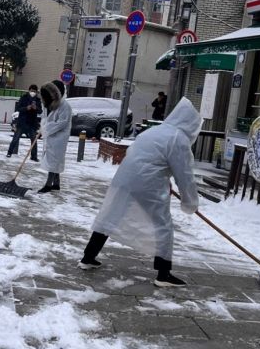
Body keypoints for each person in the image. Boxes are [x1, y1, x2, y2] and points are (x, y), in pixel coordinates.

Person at [78, 98, 201, 288]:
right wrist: (190, 202)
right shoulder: (179, 139)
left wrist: (162, 178)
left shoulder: (155, 130)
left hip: (125, 178)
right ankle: (163, 274)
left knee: (111, 215)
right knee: (163, 225)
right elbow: (184, 175)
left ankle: (88, 257)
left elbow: (146, 157)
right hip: (147, 184)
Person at [38, 80, 72, 193]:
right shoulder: (52, 104)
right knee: (54, 160)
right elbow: (46, 118)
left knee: (53, 161)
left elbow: (62, 122)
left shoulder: (65, 106)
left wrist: (46, 128)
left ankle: (48, 184)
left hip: (59, 138)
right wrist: (43, 126)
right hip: (52, 137)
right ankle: (56, 183)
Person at [7, 84, 41, 161]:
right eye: (32, 91)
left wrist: (36, 108)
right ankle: (9, 152)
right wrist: (26, 108)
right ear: (29, 91)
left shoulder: (37, 100)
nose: (33, 92)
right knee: (15, 138)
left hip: (32, 123)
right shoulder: (24, 98)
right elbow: (18, 108)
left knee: (34, 141)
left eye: (34, 91)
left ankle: (34, 156)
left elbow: (40, 110)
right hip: (22, 122)